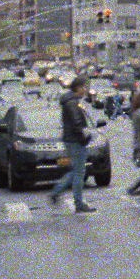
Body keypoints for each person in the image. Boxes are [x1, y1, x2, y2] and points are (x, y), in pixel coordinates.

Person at [49, 77, 96, 213]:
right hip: (75, 141)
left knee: (76, 171)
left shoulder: (71, 101)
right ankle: (79, 204)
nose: (86, 90)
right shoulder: (72, 103)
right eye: (85, 87)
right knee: (79, 173)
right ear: (79, 87)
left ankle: (56, 191)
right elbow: (77, 123)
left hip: (71, 140)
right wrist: (84, 137)